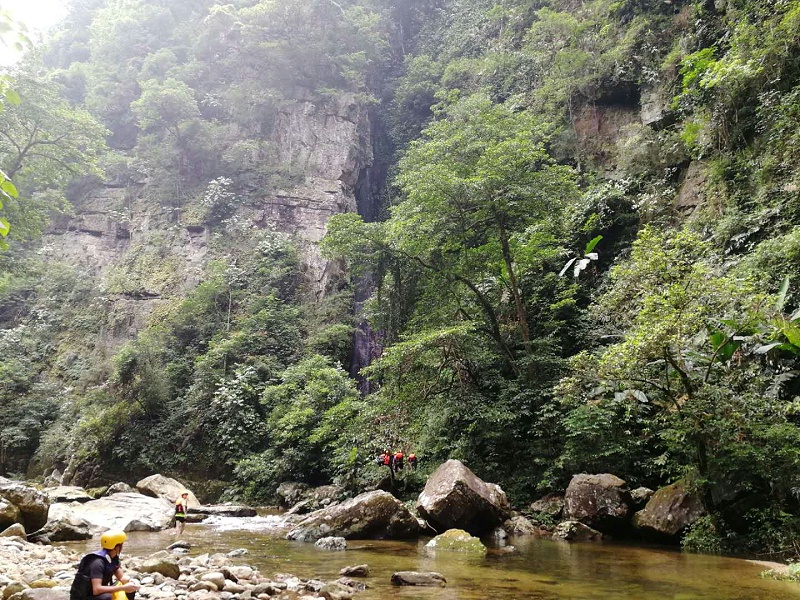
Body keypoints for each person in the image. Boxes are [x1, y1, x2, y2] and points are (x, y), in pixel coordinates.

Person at [70, 530, 139, 600]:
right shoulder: (97, 563)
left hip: (96, 594)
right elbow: (96, 590)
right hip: (85, 596)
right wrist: (123, 588)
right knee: (107, 597)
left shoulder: (113, 558)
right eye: (121, 544)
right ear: (117, 547)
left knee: (130, 587)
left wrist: (130, 582)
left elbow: (121, 578)